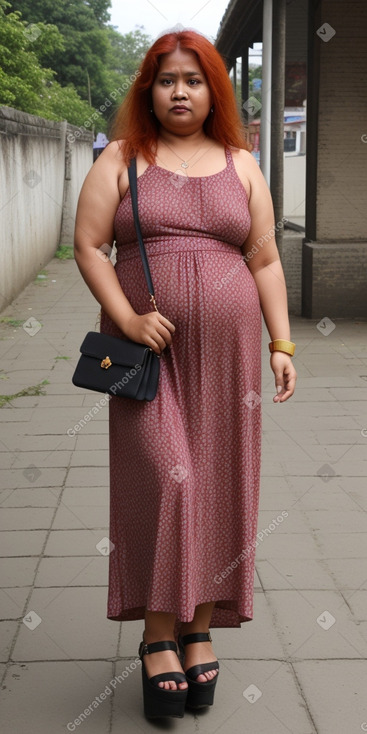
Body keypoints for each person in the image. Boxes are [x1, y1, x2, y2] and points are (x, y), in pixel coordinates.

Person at [73, 28, 297, 721]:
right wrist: (128, 318)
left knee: (221, 483)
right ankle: (156, 635)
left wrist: (282, 342)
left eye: (193, 80)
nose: (179, 91)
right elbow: (88, 246)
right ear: (149, 88)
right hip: (145, 359)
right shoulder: (121, 159)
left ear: (213, 91)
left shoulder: (241, 162)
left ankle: (197, 625)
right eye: (167, 79)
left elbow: (262, 259)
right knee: (169, 480)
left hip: (230, 361)